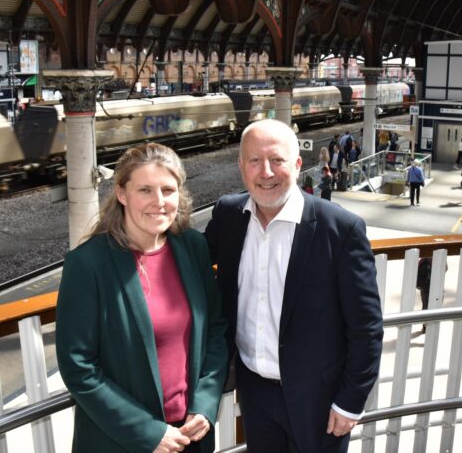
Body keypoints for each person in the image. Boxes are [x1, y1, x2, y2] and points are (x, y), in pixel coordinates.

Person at [204, 119, 383, 453]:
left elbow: (366, 327)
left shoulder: (340, 229)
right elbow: (190, 259)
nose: (266, 172)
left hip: (319, 397)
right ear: (241, 167)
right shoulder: (229, 214)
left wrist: (351, 400)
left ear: (298, 164)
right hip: (254, 389)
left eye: (277, 160)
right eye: (254, 161)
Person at [56, 142, 228, 453]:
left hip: (191, 436)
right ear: (122, 194)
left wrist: (206, 403)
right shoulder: (88, 263)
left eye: (168, 190)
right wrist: (147, 432)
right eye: (145, 190)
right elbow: (78, 366)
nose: (159, 202)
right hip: (122, 441)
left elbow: (215, 330)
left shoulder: (192, 247)